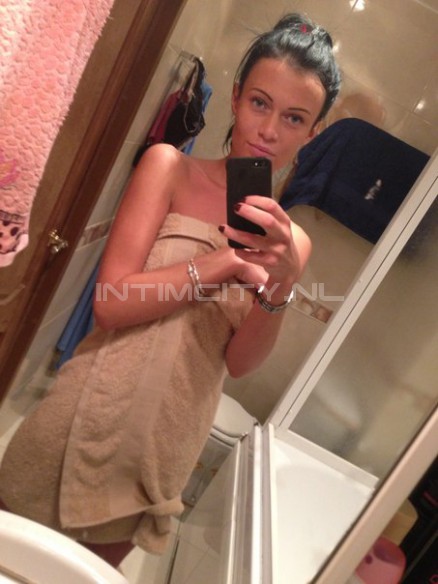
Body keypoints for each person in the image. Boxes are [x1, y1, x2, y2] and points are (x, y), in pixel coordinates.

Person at [0, 13, 341, 568]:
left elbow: (240, 364)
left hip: (161, 450)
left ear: (314, 133)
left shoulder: (292, 245)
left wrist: (280, 284)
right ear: (236, 97)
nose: (269, 130)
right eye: (260, 103)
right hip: (84, 417)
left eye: (294, 117)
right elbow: (110, 305)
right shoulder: (169, 169)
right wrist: (226, 260)